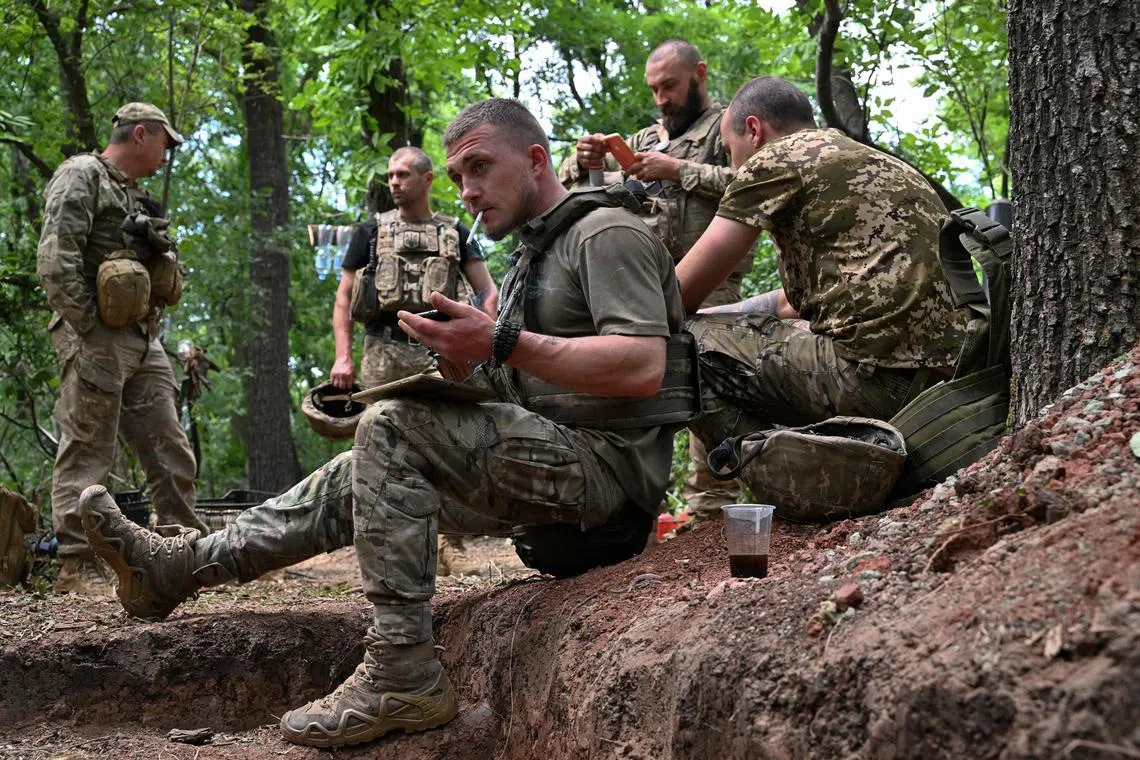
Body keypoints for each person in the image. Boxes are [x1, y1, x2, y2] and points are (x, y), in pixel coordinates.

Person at [79, 98, 691, 749]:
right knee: (363, 462)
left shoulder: (605, 235)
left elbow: (641, 367)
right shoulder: (536, 253)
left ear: (536, 159)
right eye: (457, 178)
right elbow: (534, 375)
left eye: (479, 167)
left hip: (607, 486)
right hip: (555, 466)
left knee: (394, 426)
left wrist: (499, 345)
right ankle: (176, 570)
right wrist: (468, 371)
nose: (469, 190)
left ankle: (403, 671)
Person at [676, 76, 971, 459]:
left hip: (878, 383)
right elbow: (789, 305)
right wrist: (717, 316)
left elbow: (678, 296)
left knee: (678, 345)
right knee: (744, 330)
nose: (733, 165)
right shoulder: (869, 160)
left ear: (753, 130)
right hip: (949, 383)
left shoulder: (773, 159)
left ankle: (791, 482)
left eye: (730, 151)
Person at [560, 38, 747, 514]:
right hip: (643, 292)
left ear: (699, 74)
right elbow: (586, 200)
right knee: (641, 394)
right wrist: (582, 165)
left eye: (671, 86)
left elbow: (752, 185)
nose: (661, 98)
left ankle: (712, 507)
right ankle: (636, 510)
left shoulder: (724, 130)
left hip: (711, 286)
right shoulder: (644, 141)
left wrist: (679, 169)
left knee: (708, 385)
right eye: (654, 89)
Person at [37, 102, 209, 596]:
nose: (166, 154)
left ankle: (186, 552)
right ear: (140, 134)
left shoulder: (134, 195)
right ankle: (77, 563)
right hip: (98, 336)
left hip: (142, 336)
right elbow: (55, 261)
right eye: (164, 143)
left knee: (169, 445)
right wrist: (88, 325)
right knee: (88, 449)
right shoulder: (81, 176)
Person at [329, 146, 498, 391]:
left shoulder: (455, 232)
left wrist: (488, 348)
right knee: (376, 424)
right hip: (382, 355)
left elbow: (488, 294)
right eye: (390, 176)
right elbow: (344, 297)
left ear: (427, 178)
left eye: (403, 175)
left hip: (443, 350)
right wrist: (342, 357)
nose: (394, 183)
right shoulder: (370, 232)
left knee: (447, 425)